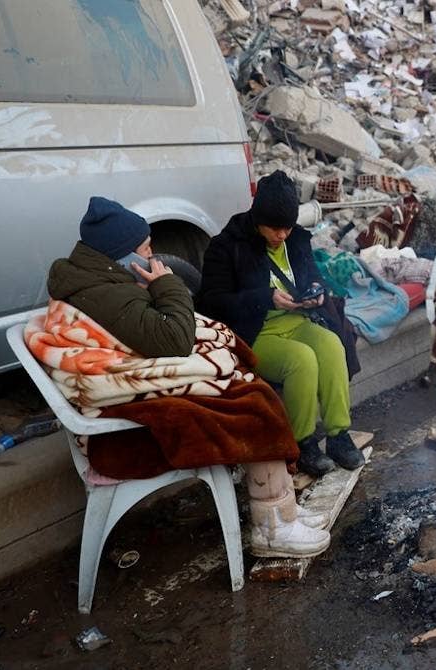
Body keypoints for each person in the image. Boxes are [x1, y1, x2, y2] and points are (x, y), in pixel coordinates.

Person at [44, 196, 331, 558]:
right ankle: (272, 529)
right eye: (146, 249)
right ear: (123, 256)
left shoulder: (97, 279)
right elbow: (175, 340)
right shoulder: (107, 294)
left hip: (131, 382)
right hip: (118, 421)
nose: (153, 257)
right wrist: (168, 284)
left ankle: (281, 505)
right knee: (251, 404)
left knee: (248, 384)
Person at [198, 170, 364, 477]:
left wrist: (315, 291)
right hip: (254, 332)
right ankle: (303, 443)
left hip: (296, 321)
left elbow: (313, 275)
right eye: (274, 229)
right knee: (302, 360)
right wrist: (265, 297)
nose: (282, 235)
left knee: (332, 345)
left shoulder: (296, 239)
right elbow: (212, 302)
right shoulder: (228, 246)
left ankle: (339, 435)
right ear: (257, 219)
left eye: (287, 227)